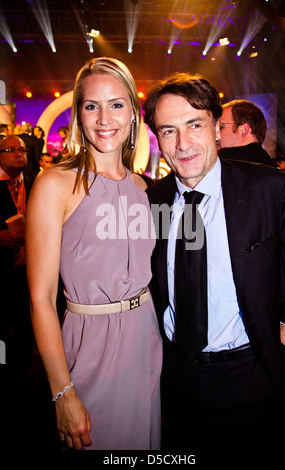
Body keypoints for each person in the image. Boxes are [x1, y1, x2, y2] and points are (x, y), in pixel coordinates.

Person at [143, 72, 285, 452]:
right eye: (168, 131)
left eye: (194, 125)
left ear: (216, 127)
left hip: (249, 375)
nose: (183, 144)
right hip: (175, 377)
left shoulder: (268, 188)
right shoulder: (153, 200)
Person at [25, 57, 162, 451]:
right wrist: (62, 392)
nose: (105, 118)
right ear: (78, 116)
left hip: (145, 335)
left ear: (134, 115)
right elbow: (40, 298)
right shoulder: (55, 184)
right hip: (89, 345)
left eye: (117, 104)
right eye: (92, 106)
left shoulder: (142, 187)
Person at [0, 135, 32, 377]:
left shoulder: (34, 184)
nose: (18, 154)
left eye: (21, 150)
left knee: (25, 328)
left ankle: (21, 379)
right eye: (11, 149)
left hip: (29, 271)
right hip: (3, 267)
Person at [218, 99, 277, 167]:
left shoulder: (223, 165)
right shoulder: (272, 167)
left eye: (221, 126)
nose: (216, 133)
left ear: (244, 130)